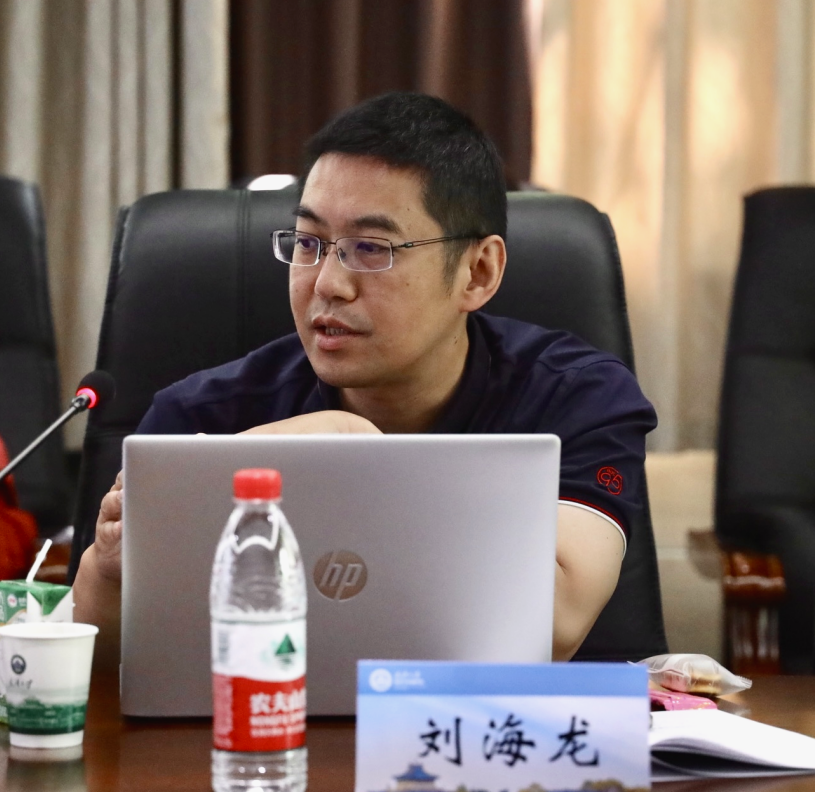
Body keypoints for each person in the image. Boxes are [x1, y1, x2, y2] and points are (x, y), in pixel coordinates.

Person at [73, 91, 657, 663]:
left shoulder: (577, 398)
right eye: (309, 243)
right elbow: (97, 656)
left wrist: (360, 457)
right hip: (257, 721)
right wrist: (109, 566)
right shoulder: (200, 417)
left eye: (371, 249)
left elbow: (554, 624)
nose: (327, 283)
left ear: (478, 272)